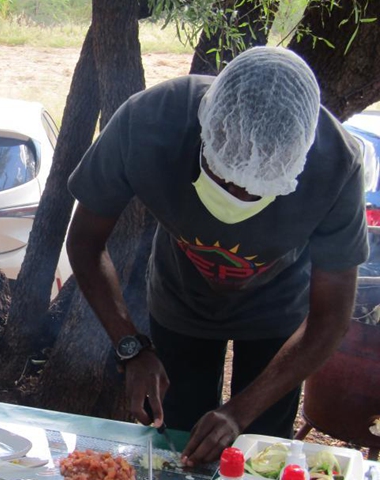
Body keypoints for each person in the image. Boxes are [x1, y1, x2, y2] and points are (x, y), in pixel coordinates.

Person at [66, 47, 367, 466]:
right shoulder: (149, 122)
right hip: (180, 301)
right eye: (225, 178)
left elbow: (331, 317)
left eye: (258, 189)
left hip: (277, 314)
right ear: (204, 130)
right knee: (177, 444)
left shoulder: (337, 165)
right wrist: (131, 348)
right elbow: (84, 242)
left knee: (262, 452)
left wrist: (240, 412)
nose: (236, 199)